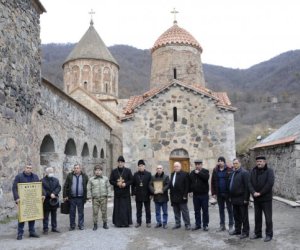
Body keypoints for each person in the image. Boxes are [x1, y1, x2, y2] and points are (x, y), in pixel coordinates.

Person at [12, 163, 44, 240]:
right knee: (22, 217)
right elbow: (14, 188)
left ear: (31, 169)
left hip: (32, 199)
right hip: (22, 200)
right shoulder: (19, 176)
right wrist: (17, 198)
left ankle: (32, 232)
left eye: (30, 168)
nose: (28, 169)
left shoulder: (35, 176)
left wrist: (42, 194)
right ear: (24, 168)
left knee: (32, 215)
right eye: (27, 167)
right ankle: (20, 233)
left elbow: (39, 187)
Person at [249, 156, 275, 242]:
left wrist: (260, 193)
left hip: (266, 199)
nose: (259, 163)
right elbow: (249, 183)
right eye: (257, 161)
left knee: (268, 218)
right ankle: (258, 233)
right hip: (256, 199)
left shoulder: (269, 171)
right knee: (257, 217)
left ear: (265, 162)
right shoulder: (253, 171)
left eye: (260, 161)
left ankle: (269, 234)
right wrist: (253, 192)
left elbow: (269, 183)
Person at [211, 156, 234, 232]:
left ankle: (231, 225)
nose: (220, 162)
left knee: (230, 209)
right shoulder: (215, 170)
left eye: (221, 161)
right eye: (219, 161)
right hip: (219, 193)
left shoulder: (229, 169)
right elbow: (212, 182)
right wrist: (213, 193)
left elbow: (232, 181)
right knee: (221, 210)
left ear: (224, 162)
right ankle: (222, 225)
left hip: (228, 193)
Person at [63, 164, 89, 230]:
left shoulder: (84, 176)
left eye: (77, 168)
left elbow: (87, 186)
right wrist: (65, 195)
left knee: (81, 212)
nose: (76, 169)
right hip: (72, 198)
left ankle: (81, 225)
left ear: (80, 169)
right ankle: (72, 226)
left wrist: (87, 196)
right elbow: (65, 186)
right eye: (75, 168)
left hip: (81, 198)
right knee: (72, 213)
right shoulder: (70, 176)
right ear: (73, 169)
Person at [229, 158, 250, 239]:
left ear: (240, 163)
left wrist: (246, 199)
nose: (235, 165)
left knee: (244, 216)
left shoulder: (244, 173)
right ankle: (237, 230)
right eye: (234, 163)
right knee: (236, 215)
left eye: (236, 163)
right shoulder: (233, 172)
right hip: (234, 198)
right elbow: (231, 185)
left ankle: (245, 232)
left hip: (242, 198)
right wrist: (230, 197)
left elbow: (247, 187)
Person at [109, 156, 133, 227]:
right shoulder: (114, 171)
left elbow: (131, 180)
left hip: (125, 193)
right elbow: (111, 181)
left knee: (125, 208)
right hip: (118, 193)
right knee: (118, 208)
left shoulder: (128, 171)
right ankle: (118, 223)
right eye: (119, 162)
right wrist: (116, 183)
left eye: (121, 162)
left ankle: (126, 222)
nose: (120, 163)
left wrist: (125, 184)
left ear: (124, 163)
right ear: (118, 163)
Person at [87, 165, 112, 230]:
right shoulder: (91, 179)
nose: (98, 172)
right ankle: (95, 224)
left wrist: (109, 196)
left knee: (104, 211)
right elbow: (88, 189)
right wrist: (89, 197)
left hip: (104, 198)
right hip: (95, 198)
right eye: (96, 170)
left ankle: (105, 223)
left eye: (99, 170)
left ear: (101, 171)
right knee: (95, 212)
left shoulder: (105, 179)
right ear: (94, 171)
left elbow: (108, 187)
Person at [189, 159, 210, 231]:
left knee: (205, 210)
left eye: (199, 164)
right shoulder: (192, 173)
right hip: (196, 195)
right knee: (197, 211)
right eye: (196, 164)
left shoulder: (205, 171)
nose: (197, 166)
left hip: (204, 195)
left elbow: (206, 178)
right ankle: (198, 224)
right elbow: (190, 183)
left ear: (201, 165)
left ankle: (205, 225)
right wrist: (190, 191)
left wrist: (199, 173)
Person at [169, 162, 191, 230]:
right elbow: (171, 185)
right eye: (175, 166)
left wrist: (185, 195)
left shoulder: (185, 174)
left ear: (180, 167)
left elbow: (187, 186)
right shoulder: (172, 174)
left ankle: (187, 224)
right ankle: (177, 223)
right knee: (176, 211)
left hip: (182, 196)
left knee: (184, 211)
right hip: (174, 196)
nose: (176, 168)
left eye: (177, 166)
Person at [132, 159, 152, 228]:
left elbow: (151, 185)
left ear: (144, 166)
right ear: (138, 167)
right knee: (138, 210)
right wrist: (133, 194)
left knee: (147, 209)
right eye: (139, 166)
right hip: (138, 194)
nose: (140, 167)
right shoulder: (135, 174)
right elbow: (133, 185)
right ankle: (138, 222)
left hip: (147, 194)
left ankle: (148, 222)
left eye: (142, 166)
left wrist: (151, 194)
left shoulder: (149, 174)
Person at [41, 167, 61, 234]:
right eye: (49, 172)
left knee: (54, 215)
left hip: (54, 200)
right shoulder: (42, 180)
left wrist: (54, 193)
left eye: (52, 171)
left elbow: (58, 187)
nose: (51, 173)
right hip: (46, 200)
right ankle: (45, 229)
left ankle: (54, 227)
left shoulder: (56, 180)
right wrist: (50, 194)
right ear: (46, 173)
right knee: (46, 215)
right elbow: (42, 189)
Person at [149, 165, 169, 229]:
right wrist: (153, 191)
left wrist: (162, 190)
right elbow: (150, 185)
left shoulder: (166, 177)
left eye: (160, 168)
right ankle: (158, 222)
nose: (159, 169)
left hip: (164, 197)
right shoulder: (153, 177)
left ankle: (165, 223)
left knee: (165, 212)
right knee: (157, 212)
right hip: (156, 197)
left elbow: (168, 185)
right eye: (158, 168)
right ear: (156, 169)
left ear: (162, 169)